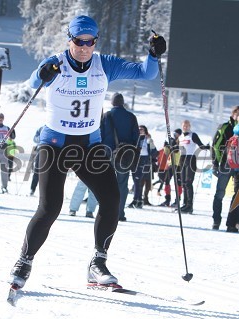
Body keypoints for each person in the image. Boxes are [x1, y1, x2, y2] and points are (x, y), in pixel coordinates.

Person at [9, 15, 166, 290]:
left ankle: (98, 264)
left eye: (89, 42)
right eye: (79, 41)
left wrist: (153, 55)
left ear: (95, 41)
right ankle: (24, 261)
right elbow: (34, 82)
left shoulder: (104, 65)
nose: (84, 47)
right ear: (69, 39)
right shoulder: (56, 63)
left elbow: (146, 73)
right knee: (50, 207)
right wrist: (42, 74)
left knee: (111, 199)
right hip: (55, 145)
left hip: (89, 146)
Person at [101, 93, 140, 221]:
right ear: (123, 103)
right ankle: (119, 213)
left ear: (112, 103)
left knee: (107, 184)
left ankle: (107, 212)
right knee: (122, 185)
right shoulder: (131, 117)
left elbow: (100, 134)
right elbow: (137, 138)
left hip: (108, 154)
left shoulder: (107, 116)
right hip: (125, 156)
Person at [211, 106, 239, 230]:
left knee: (238, 195)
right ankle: (216, 219)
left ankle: (232, 223)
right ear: (234, 114)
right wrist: (215, 163)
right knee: (220, 194)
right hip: (226, 165)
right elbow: (215, 146)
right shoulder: (224, 127)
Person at [177, 120, 210, 214]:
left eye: (187, 126)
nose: (185, 127)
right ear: (182, 126)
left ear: (190, 126)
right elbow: (176, 148)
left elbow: (200, 145)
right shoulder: (180, 137)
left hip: (190, 159)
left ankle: (189, 205)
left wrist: (207, 147)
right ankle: (184, 204)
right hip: (182, 159)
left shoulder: (193, 135)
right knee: (183, 183)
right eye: (184, 125)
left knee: (188, 183)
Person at [129, 125, 156, 208]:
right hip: (135, 159)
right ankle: (139, 200)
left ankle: (136, 200)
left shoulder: (147, 139)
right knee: (136, 180)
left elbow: (154, 152)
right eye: (139, 129)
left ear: (145, 131)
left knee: (138, 180)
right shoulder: (135, 138)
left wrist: (150, 143)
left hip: (143, 160)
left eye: (142, 129)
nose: (140, 131)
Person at [29, 126, 43, 196]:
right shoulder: (41, 128)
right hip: (40, 149)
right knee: (36, 170)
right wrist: (42, 138)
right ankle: (32, 189)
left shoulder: (54, 127)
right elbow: (35, 138)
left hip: (51, 150)